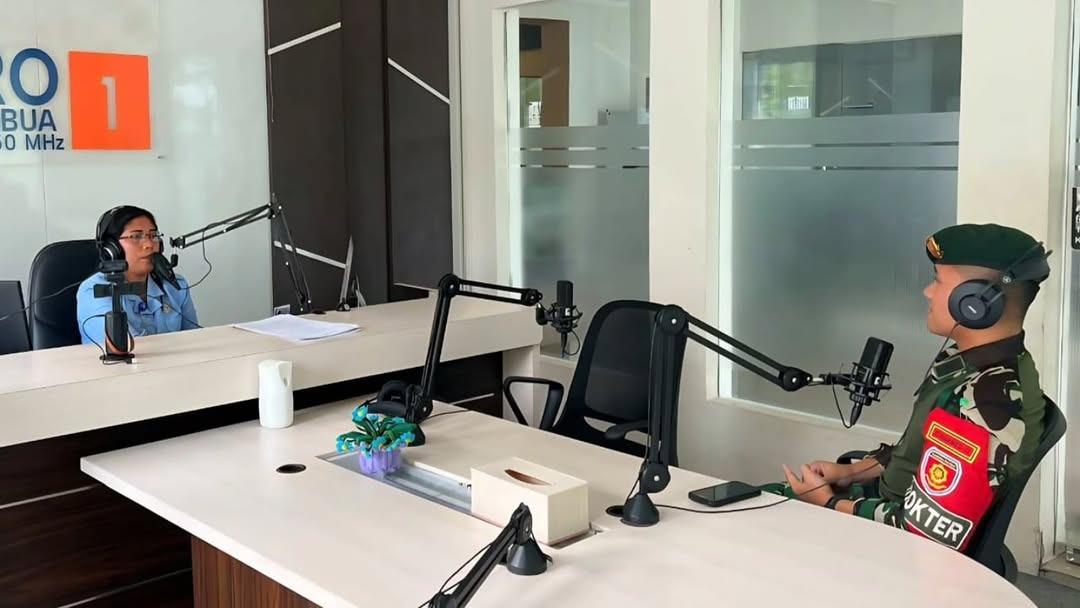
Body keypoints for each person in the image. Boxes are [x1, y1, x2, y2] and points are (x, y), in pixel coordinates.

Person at [769, 224, 1050, 552]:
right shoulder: (964, 360)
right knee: (754, 499)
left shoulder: (985, 400)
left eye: (938, 281)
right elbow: (916, 452)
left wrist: (828, 503)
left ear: (975, 302)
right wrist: (851, 472)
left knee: (755, 516)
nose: (928, 292)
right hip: (885, 506)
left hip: (898, 545)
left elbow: (924, 530)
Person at [77, 205, 199, 348]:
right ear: (112, 248)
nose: (149, 244)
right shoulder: (95, 290)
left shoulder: (175, 285)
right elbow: (128, 348)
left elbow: (196, 341)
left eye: (153, 236)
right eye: (136, 236)